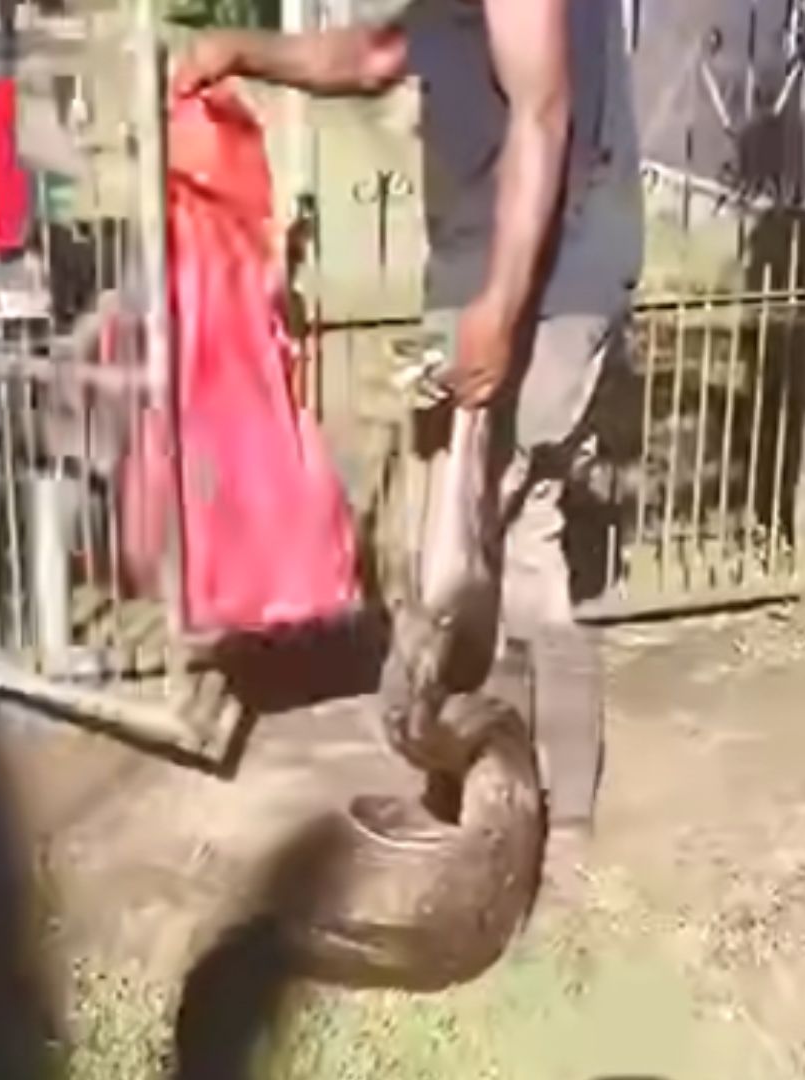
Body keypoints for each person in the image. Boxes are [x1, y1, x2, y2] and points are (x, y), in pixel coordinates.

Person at [174, 0, 642, 889]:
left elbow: (543, 111)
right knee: (480, 549)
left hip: (544, 282)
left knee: (491, 555)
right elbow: (372, 53)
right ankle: (487, 793)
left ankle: (535, 822)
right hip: (483, 274)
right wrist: (242, 49)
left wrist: (499, 314)